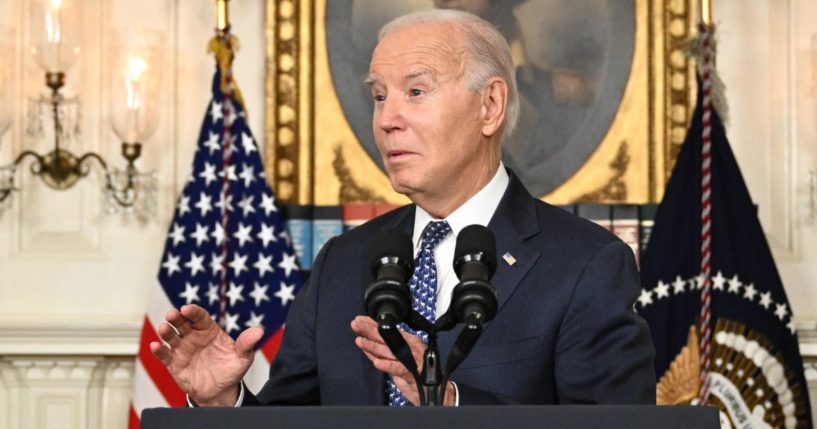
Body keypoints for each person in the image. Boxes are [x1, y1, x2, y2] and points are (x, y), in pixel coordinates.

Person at [150, 9, 655, 407]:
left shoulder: (587, 265)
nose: (388, 119)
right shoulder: (341, 265)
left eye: (416, 92)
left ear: (490, 106)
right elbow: (293, 420)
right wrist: (224, 400)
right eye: (378, 96)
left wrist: (449, 401)